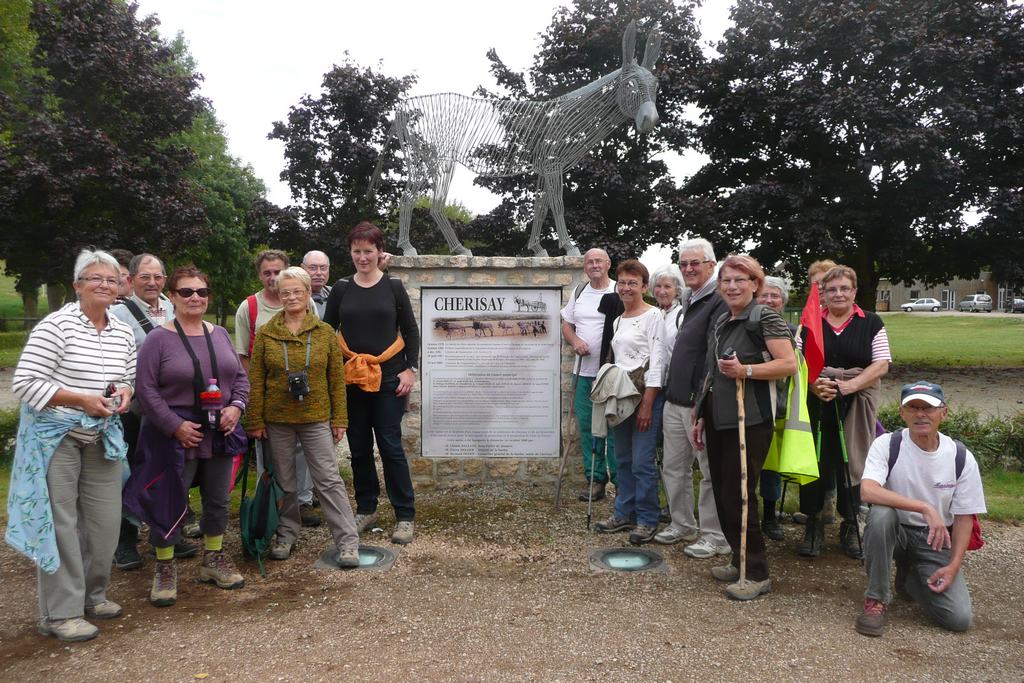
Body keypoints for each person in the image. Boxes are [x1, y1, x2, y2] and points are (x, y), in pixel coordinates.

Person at [9, 249, 135, 642]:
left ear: (119, 288)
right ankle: (60, 613)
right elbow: (25, 382)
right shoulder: (56, 326)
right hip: (56, 439)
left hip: (102, 437)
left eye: (111, 280)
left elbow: (127, 373)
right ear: (78, 285)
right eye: (95, 278)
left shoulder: (122, 330)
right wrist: (80, 399)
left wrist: (126, 392)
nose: (104, 285)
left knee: (104, 524)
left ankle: (93, 597)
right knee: (62, 526)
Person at [126, 266, 249, 607]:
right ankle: (164, 566)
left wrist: (236, 407)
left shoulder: (221, 334)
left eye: (201, 292)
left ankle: (213, 558)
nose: (195, 298)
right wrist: (173, 425)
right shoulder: (158, 339)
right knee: (169, 498)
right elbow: (146, 389)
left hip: (219, 430)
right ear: (174, 297)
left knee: (217, 499)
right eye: (186, 292)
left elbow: (239, 378)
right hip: (175, 434)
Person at [693, 254, 797, 601]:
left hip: (749, 421)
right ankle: (738, 559)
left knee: (740, 494)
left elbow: (788, 365)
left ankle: (756, 571)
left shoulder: (763, 317)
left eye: (740, 280)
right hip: (719, 417)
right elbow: (712, 370)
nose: (732, 286)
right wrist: (701, 413)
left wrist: (746, 372)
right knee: (724, 493)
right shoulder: (723, 319)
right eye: (726, 281)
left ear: (756, 284)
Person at [245, 267, 359, 566]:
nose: (291, 297)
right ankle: (286, 533)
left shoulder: (324, 334)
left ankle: (347, 541)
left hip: (316, 417)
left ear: (309, 293)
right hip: (277, 420)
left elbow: (336, 379)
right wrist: (254, 420)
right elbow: (255, 380)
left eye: (297, 291)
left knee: (329, 479)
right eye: (285, 292)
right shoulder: (268, 332)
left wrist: (340, 419)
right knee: (286, 481)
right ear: (278, 296)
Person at [855, 381, 985, 636]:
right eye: (912, 408)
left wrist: (953, 566)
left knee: (958, 619)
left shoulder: (960, 456)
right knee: (880, 515)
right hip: (896, 532)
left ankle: (911, 579)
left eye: (928, 408)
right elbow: (867, 490)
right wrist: (925, 507)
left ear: (943, 413)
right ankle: (876, 599)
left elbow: (964, 518)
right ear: (902, 413)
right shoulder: (887, 445)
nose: (920, 414)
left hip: (934, 539)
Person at [323, 221, 420, 545]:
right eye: (357, 252)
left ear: (380, 253)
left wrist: (410, 370)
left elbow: (411, 331)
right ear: (350, 253)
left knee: (391, 446)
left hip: (390, 378)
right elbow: (327, 331)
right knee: (359, 448)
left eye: (368, 251)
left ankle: (405, 514)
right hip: (351, 378)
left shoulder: (393, 287)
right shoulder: (341, 289)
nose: (362, 257)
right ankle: (366, 508)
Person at [110, 253, 197, 570]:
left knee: (172, 471)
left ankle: (171, 533)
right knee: (130, 472)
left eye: (158, 276)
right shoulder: (117, 314)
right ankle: (126, 542)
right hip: (133, 409)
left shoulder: (178, 305)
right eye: (145, 277)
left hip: (175, 407)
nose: (152, 282)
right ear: (130, 280)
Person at [798, 265, 891, 559]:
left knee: (852, 461)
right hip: (818, 399)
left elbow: (882, 364)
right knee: (816, 461)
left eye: (844, 288)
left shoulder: (871, 322)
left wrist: (847, 388)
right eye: (831, 289)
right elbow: (798, 361)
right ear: (822, 293)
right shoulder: (810, 321)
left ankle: (851, 523)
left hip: (856, 401)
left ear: (854, 292)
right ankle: (813, 524)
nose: (838, 294)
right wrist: (814, 386)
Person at [235, 250, 318, 527]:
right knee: (269, 456)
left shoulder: (305, 303)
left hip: (303, 394)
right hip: (269, 396)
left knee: (302, 452)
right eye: (266, 272)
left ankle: (303, 501)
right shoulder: (249, 307)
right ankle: (270, 505)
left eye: (277, 271)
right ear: (259, 275)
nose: (272, 277)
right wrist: (256, 395)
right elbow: (244, 356)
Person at [659, 239, 731, 557]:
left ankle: (715, 535)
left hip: (697, 402)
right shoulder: (690, 297)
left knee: (710, 471)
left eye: (695, 264)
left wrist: (701, 403)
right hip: (675, 399)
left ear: (711, 265)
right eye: (684, 264)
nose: (688, 269)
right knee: (674, 467)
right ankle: (682, 524)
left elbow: (713, 356)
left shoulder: (718, 300)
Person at [593, 260, 665, 544]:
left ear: (644, 287)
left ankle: (648, 519)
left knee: (642, 462)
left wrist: (648, 402)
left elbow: (657, 361)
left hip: (645, 397)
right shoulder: (618, 320)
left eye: (632, 283)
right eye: (622, 282)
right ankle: (624, 512)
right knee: (622, 459)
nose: (626, 288)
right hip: (621, 398)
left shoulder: (654, 316)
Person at [561, 248, 618, 502]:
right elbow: (566, 324)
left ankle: (620, 481)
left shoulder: (619, 290)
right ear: (584, 266)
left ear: (608, 264)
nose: (594, 265)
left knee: (615, 427)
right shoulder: (580, 292)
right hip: (583, 372)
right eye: (589, 262)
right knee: (586, 426)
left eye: (599, 261)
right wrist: (575, 341)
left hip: (613, 372)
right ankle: (595, 479)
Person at [754, 276, 797, 541]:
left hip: (781, 407)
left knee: (772, 468)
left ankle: (770, 516)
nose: (769, 301)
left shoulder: (794, 332)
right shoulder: (750, 328)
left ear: (783, 301)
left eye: (775, 296)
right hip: (753, 406)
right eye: (764, 296)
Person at [650, 264, 685, 523]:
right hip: (653, 389)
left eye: (667, 286)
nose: (662, 291)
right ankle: (662, 503)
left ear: (677, 290)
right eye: (658, 286)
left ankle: (674, 507)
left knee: (673, 454)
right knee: (657, 451)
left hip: (674, 390)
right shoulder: (653, 315)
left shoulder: (681, 315)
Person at [302, 250, 332, 319]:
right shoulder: (293, 296)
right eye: (313, 268)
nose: (319, 273)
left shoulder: (335, 293)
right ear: (303, 268)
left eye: (323, 268)